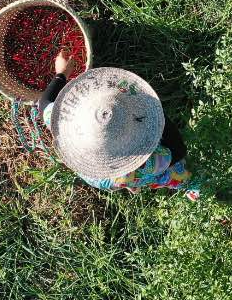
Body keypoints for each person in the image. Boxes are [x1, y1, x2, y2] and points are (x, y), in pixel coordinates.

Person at [37, 50, 199, 199]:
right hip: (149, 171)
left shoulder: (66, 127)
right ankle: (191, 185)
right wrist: (156, 116)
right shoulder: (150, 162)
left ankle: (132, 183)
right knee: (174, 174)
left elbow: (44, 103)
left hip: (118, 179)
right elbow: (177, 151)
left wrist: (61, 74)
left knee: (129, 179)